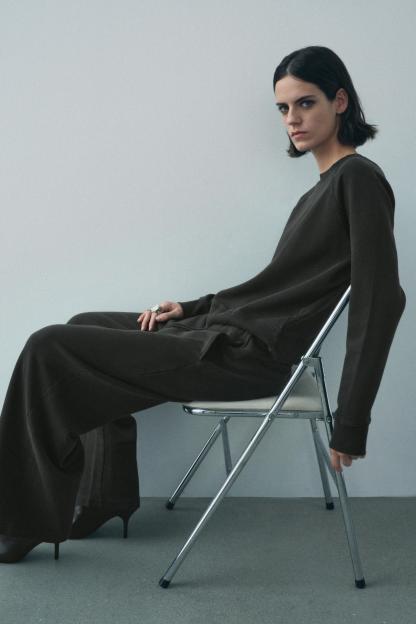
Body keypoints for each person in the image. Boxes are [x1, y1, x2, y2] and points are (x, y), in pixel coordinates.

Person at [0, 45, 406, 564]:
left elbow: (380, 299)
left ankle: (21, 520)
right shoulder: (322, 190)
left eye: (306, 103)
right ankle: (105, 495)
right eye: (283, 108)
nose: (292, 119)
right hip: (229, 335)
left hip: (247, 358)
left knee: (49, 346)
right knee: (84, 324)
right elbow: (269, 291)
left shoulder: (359, 180)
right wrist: (190, 310)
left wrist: (351, 422)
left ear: (340, 101)